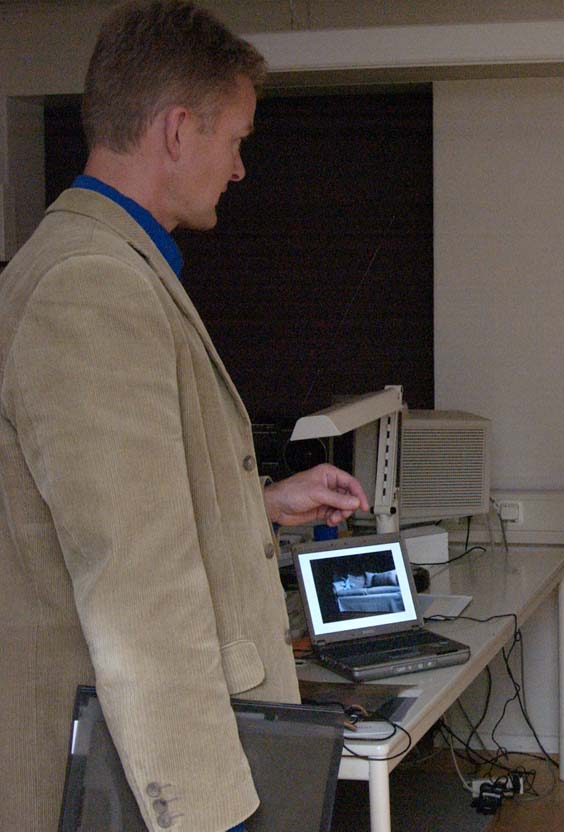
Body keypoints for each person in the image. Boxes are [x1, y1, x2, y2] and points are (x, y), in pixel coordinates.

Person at [0, 2, 370, 830]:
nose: (238, 168)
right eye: (234, 139)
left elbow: (105, 510)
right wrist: (206, 812)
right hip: (126, 776)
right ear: (176, 130)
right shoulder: (90, 284)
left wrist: (257, 504)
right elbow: (137, 589)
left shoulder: (107, 264)